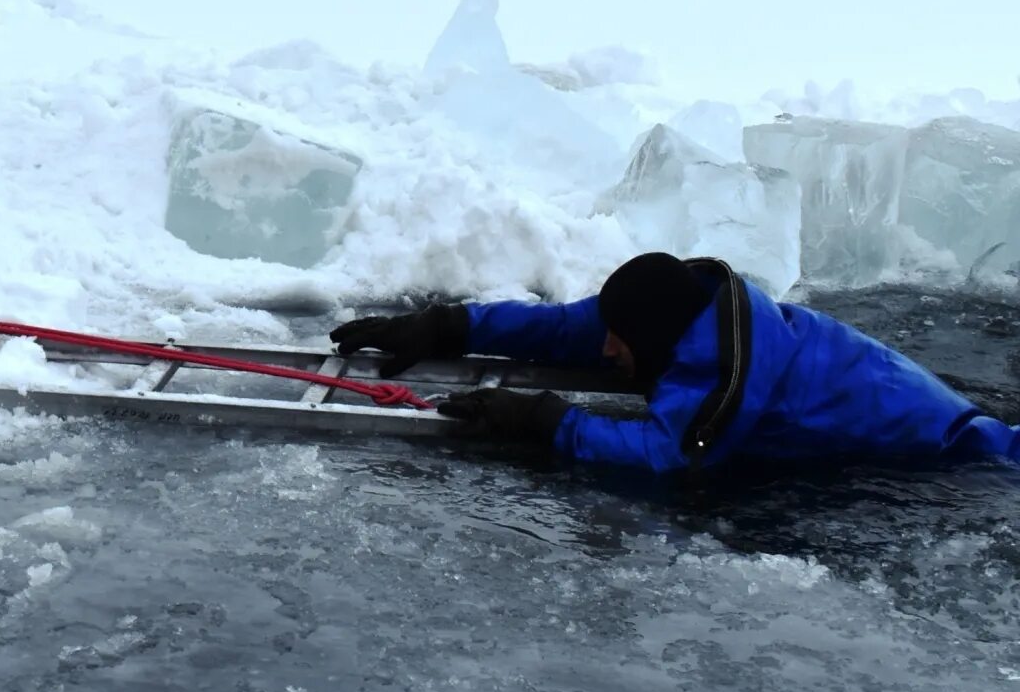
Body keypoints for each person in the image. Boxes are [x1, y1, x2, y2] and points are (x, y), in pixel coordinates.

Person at [331, 252, 1019, 473]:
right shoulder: (679, 314)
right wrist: (448, 323)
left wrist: (545, 419)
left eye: (619, 343)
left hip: (963, 459)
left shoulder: (722, 378)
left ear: (654, 337)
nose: (605, 352)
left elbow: (668, 453)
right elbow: (567, 326)